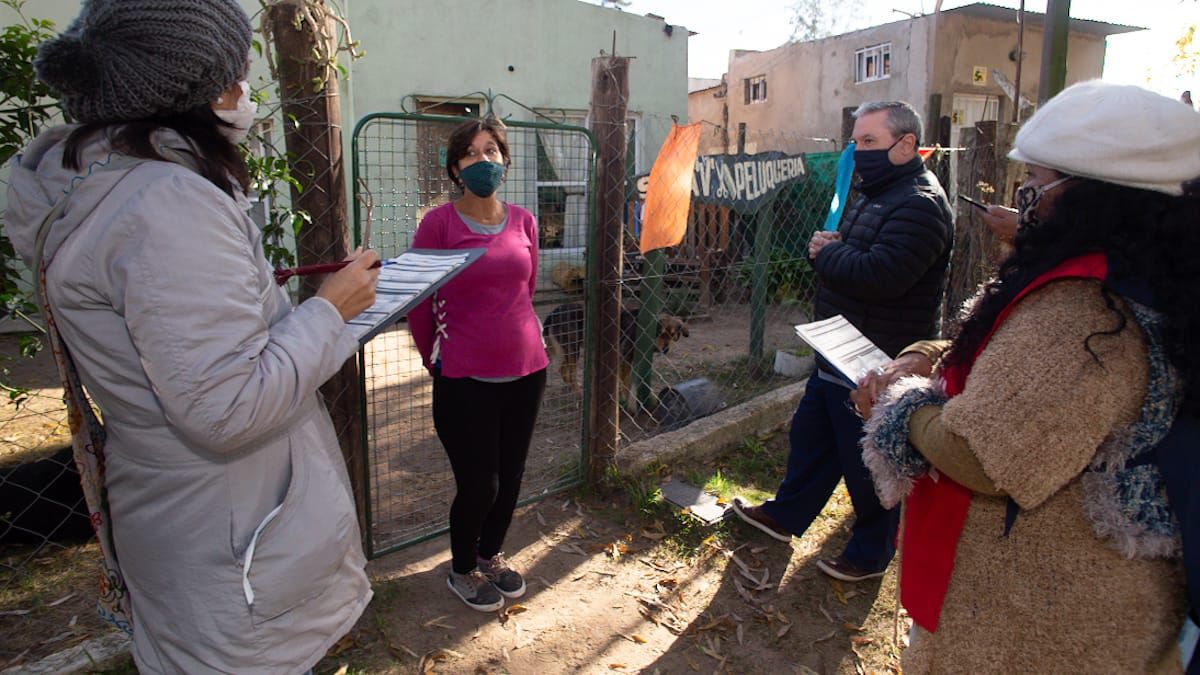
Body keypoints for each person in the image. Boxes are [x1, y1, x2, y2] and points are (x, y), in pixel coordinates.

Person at [4, 1, 379, 671]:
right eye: (234, 74)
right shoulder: (166, 203)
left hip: (186, 521)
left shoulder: (96, 184)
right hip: (233, 544)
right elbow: (225, 409)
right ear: (185, 92)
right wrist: (331, 308)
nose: (244, 91)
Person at [859, 80, 1200, 672]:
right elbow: (1003, 356)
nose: (1026, 203)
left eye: (1039, 185)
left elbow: (982, 454)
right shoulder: (1142, 279)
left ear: (1098, 198)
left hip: (1035, 625)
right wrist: (927, 353)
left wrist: (901, 405)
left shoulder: (1086, 314)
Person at [732, 100, 954, 583]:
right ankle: (786, 515)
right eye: (855, 141)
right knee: (812, 439)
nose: (858, 150)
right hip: (839, 349)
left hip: (877, 359)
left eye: (870, 142)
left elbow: (883, 275)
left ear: (907, 145)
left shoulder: (920, 204)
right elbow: (852, 253)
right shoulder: (875, 191)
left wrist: (825, 256)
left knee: (868, 465)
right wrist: (833, 253)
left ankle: (872, 554)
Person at [407, 117, 549, 612]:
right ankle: (462, 568)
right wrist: (435, 360)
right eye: (470, 153)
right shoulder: (438, 224)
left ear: (505, 162)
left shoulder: (524, 221)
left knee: (511, 476)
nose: (483, 160)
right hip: (465, 376)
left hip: (527, 369)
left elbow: (524, 293)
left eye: (491, 150)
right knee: (479, 483)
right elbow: (420, 303)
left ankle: (490, 555)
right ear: (454, 168)